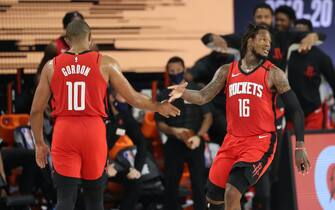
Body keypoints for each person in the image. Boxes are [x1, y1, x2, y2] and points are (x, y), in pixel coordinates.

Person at [30, 19, 180, 210]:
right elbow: (133, 97)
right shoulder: (106, 63)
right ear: (90, 37)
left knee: (65, 200)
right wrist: (159, 106)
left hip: (64, 131)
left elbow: (35, 111)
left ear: (67, 40)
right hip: (93, 131)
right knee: (95, 201)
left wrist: (40, 144)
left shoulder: (52, 66)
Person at [168, 24, 310, 210]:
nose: (268, 44)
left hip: (260, 143)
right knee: (214, 199)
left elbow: (296, 110)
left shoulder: (274, 74)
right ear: (250, 41)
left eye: (269, 41)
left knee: (232, 192)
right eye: (263, 39)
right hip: (232, 141)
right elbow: (203, 96)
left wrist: (300, 146)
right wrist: (183, 93)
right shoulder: (227, 70)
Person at [155, 56, 213, 210]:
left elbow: (208, 117)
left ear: (184, 70)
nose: (175, 73)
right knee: (171, 184)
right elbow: (160, 124)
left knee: (199, 184)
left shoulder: (197, 90)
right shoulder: (162, 95)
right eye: (172, 71)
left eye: (178, 70)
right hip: (174, 142)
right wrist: (172, 130)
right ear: (167, 72)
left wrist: (199, 136)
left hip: (195, 141)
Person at [287, 19, 335, 130]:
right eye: (296, 32)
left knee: (312, 146)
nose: (300, 36)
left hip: (313, 114)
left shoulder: (322, 58)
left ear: (312, 36)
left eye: (303, 33)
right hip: (290, 115)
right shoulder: (288, 54)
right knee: (291, 147)